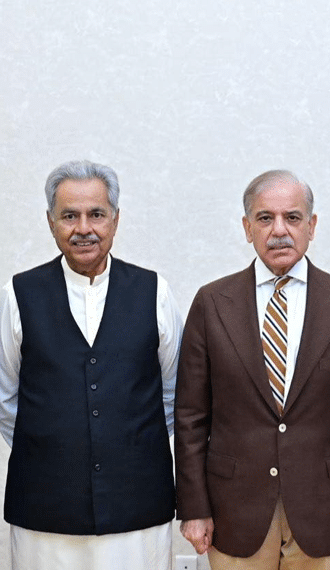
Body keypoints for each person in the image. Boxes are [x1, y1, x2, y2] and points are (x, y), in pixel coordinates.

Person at [175, 170, 330, 570]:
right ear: (247, 228)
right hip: (234, 510)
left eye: (292, 217)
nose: (279, 231)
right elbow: (190, 417)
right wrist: (194, 508)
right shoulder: (211, 303)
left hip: (323, 508)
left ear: (311, 226)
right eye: (265, 218)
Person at [0, 159, 183, 570]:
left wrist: (126, 441)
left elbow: (174, 392)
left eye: (96, 214)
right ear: (51, 223)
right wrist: (54, 441)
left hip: (138, 509)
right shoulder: (18, 294)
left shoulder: (155, 291)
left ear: (115, 220)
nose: (84, 228)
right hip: (45, 511)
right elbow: (5, 397)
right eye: (70, 216)